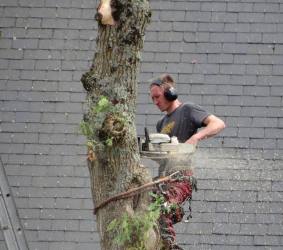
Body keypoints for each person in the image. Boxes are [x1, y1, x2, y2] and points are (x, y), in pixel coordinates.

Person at [149, 74, 225, 250]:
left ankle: (169, 246)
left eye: (157, 97)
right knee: (148, 203)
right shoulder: (161, 123)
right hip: (164, 180)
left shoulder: (187, 109)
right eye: (152, 98)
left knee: (163, 207)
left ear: (170, 93)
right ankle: (172, 218)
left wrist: (196, 137)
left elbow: (218, 123)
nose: (155, 102)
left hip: (182, 178)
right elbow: (165, 158)